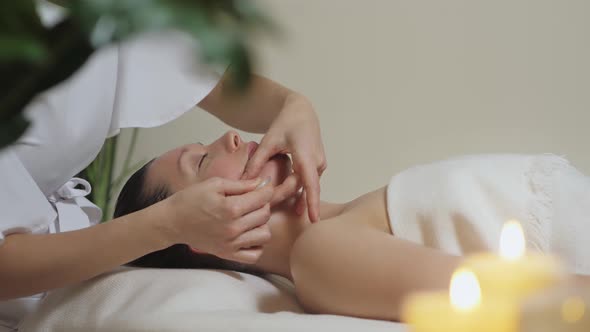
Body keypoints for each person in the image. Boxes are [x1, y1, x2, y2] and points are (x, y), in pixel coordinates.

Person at [0, 24, 325, 332]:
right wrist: (167, 224)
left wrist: (293, 105)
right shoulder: (326, 258)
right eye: (201, 161)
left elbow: (213, 83)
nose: (232, 136)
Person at [113, 130, 590, 321]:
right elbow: (532, 304)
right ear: (198, 236)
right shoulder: (320, 255)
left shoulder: (350, 223)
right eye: (199, 161)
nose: (230, 136)